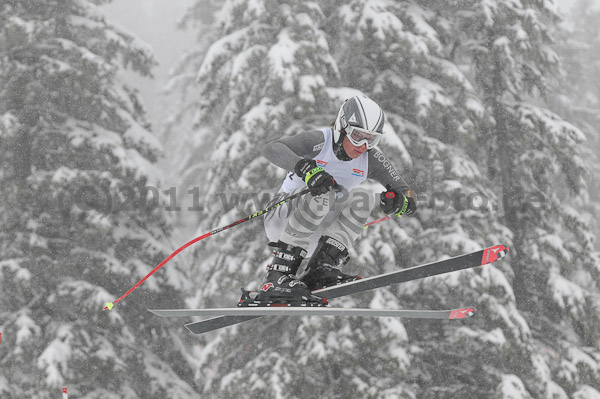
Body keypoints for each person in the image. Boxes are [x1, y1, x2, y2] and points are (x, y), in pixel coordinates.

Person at [241, 95, 417, 306]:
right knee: (326, 191)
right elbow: (271, 149)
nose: (362, 145)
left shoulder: (371, 158)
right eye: (357, 136)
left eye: (371, 139)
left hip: (319, 229)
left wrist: (400, 203)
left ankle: (321, 269)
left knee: (363, 198)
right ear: (342, 127)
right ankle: (278, 276)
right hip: (283, 217)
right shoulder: (319, 141)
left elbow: (408, 195)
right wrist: (305, 168)